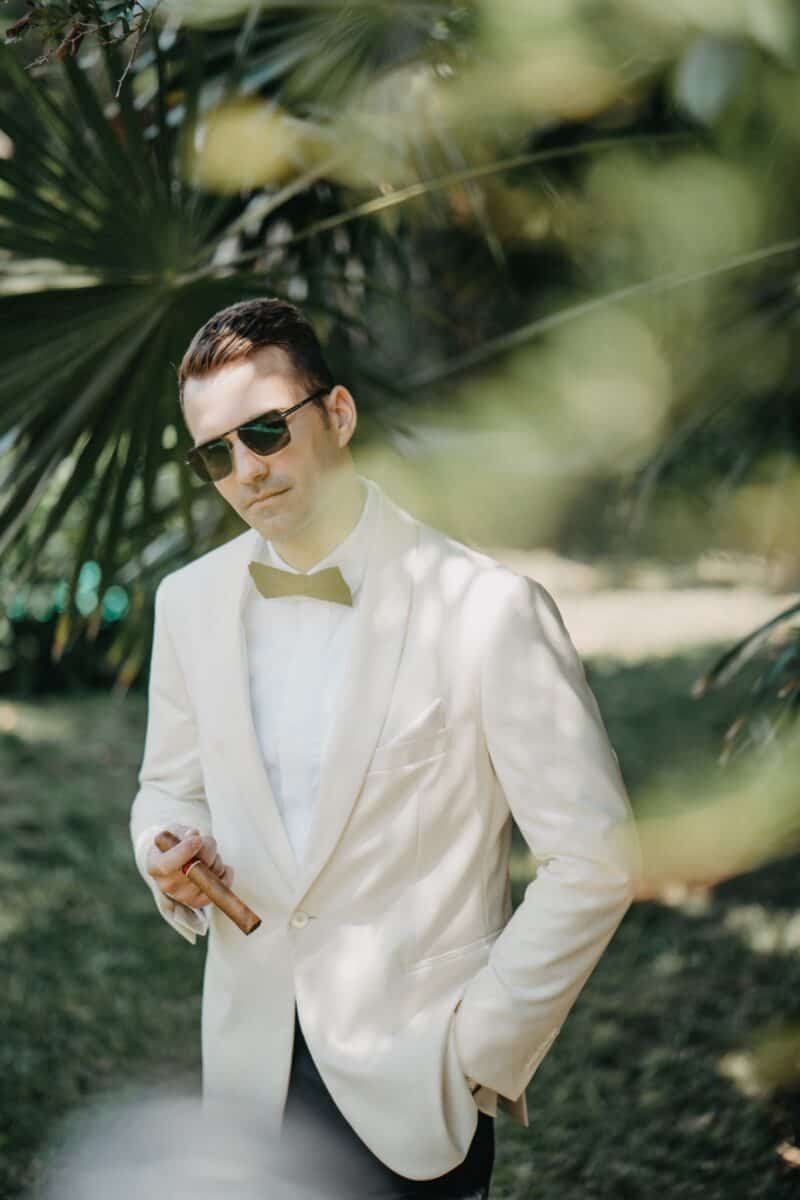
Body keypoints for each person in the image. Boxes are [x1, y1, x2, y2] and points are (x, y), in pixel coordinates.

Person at [130, 297, 641, 1198]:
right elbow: (168, 787)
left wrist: (479, 1049)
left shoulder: (491, 610)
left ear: (337, 414)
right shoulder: (188, 602)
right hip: (247, 1081)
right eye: (218, 453)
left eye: (266, 431)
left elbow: (595, 859)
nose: (247, 469)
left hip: (416, 1086)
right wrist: (166, 849)